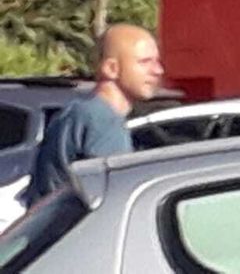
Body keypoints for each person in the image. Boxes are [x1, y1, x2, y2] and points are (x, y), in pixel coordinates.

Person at [25, 23, 163, 205]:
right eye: (145, 62)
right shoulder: (103, 121)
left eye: (157, 61)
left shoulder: (77, 112)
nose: (158, 70)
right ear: (111, 68)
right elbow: (115, 199)